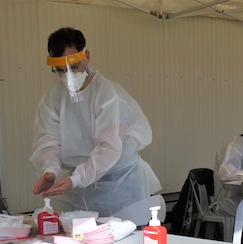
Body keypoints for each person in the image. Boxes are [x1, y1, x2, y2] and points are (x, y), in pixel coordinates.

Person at [29, 27, 161, 225]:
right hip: (77, 190)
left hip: (120, 188)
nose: (68, 76)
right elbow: (47, 139)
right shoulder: (53, 99)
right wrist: (50, 169)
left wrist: (76, 179)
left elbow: (109, 147)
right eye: (61, 70)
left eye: (73, 66)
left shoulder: (110, 96)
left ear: (87, 56)